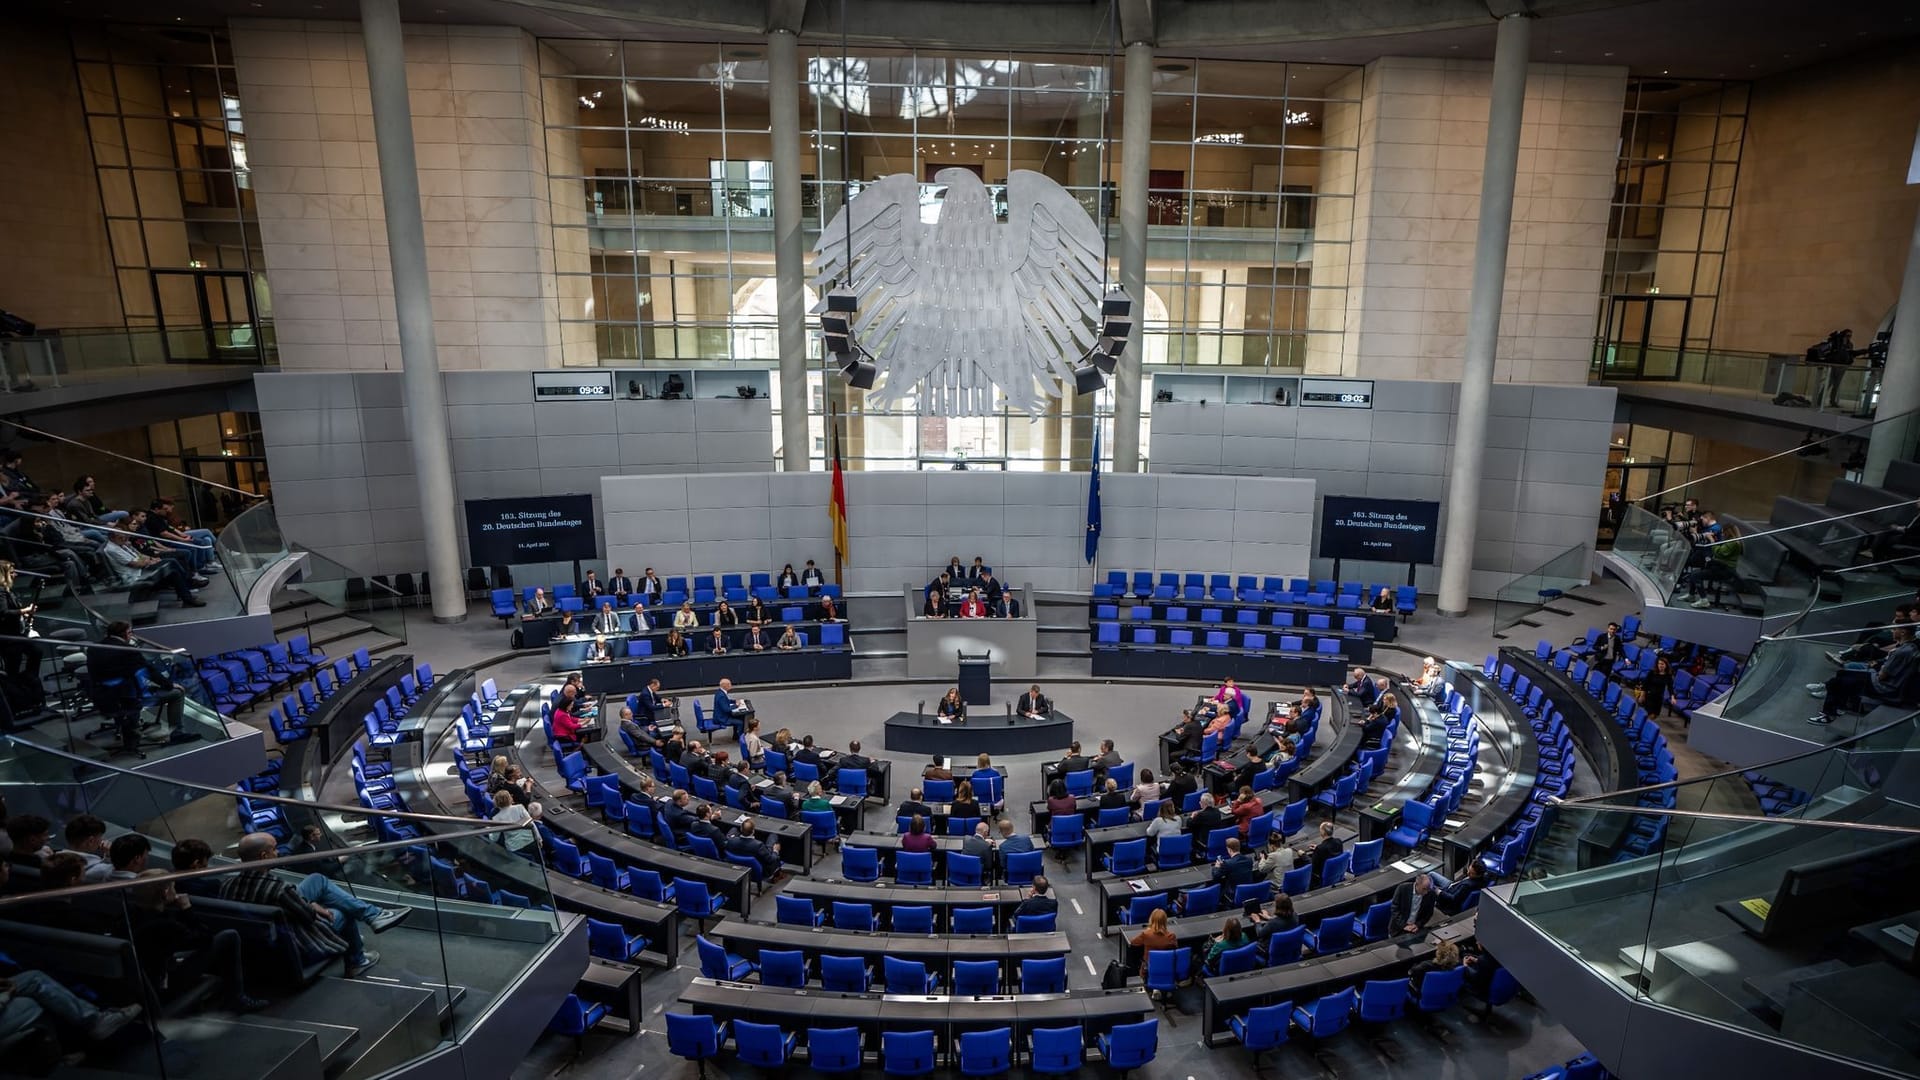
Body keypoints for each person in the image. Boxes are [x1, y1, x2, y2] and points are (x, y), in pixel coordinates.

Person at [221, 832, 406, 976]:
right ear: (263, 856)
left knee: (317, 880)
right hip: (293, 941)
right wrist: (315, 907)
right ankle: (357, 961)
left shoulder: (227, 885)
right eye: (274, 849)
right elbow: (309, 917)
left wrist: (306, 903)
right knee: (342, 911)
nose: (277, 853)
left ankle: (373, 914)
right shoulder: (279, 889)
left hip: (260, 941)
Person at [127, 868, 267, 1012]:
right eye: (173, 887)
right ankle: (236, 998)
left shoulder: (129, 915)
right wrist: (186, 908)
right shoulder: (164, 925)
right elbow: (205, 939)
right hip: (164, 985)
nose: (176, 891)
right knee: (229, 936)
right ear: (165, 893)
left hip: (139, 983)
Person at [1811, 625, 1920, 724]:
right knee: (1842, 673)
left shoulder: (1901, 652)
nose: (1892, 631)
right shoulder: (1910, 647)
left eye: (1895, 629)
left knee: (1838, 682)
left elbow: (1882, 675)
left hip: (1883, 686)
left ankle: (1828, 715)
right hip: (1881, 680)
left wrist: (1876, 666)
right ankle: (1840, 706)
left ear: (1903, 632)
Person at [1128, 908, 1178, 979]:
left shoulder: (1146, 934)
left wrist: (1148, 930)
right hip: (1166, 968)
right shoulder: (1171, 936)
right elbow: (1175, 951)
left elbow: (1132, 942)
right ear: (1165, 921)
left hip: (1148, 970)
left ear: (1151, 919)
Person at [1390, 871, 1439, 935]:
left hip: (1416, 929)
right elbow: (1395, 909)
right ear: (1417, 884)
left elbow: (1428, 914)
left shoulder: (1431, 894)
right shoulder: (1402, 888)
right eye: (1424, 889)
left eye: (1428, 889)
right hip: (1398, 927)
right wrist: (1404, 925)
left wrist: (1417, 925)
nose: (1426, 892)